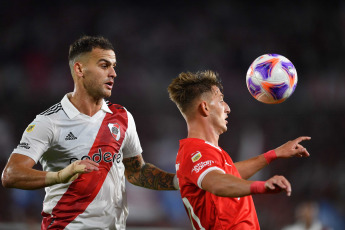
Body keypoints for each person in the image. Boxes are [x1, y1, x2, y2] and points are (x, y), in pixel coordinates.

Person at [1, 35, 179, 230]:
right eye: (104, 65)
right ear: (79, 69)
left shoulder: (122, 117)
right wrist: (60, 176)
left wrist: (176, 182)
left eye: (114, 66)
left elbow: (137, 172)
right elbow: (11, 174)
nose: (113, 73)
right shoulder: (50, 121)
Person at [167, 70, 311, 229]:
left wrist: (273, 154)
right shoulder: (196, 152)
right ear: (205, 108)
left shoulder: (208, 152)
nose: (227, 108)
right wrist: (260, 186)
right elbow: (216, 182)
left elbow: (227, 174)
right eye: (221, 100)